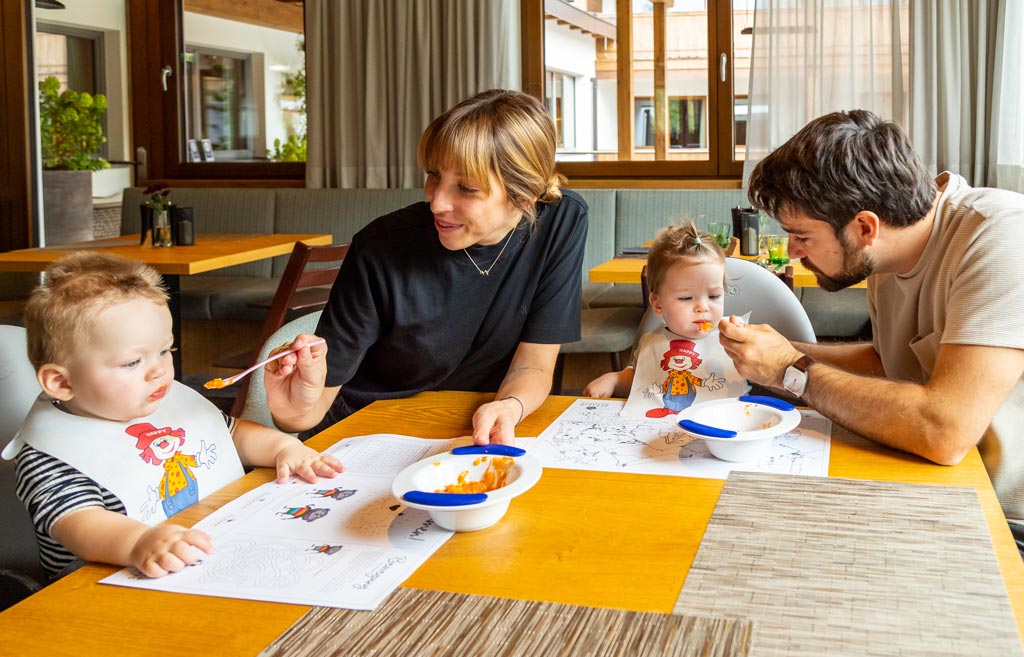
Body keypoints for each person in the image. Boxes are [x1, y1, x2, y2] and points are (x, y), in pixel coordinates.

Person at [719, 109, 1024, 550]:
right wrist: (773, 355)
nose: (792, 250)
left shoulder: (999, 239)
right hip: (939, 481)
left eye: (801, 235)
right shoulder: (887, 250)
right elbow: (886, 362)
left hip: (1006, 517)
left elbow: (944, 432)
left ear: (865, 227)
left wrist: (791, 368)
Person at [264, 89, 587, 445]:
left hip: (464, 429)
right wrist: (293, 406)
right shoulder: (381, 247)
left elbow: (534, 363)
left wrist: (511, 405)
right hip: (368, 433)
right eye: (434, 175)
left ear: (523, 196)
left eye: (466, 188)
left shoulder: (561, 220)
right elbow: (312, 410)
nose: (436, 202)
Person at [3, 252, 345, 579]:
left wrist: (284, 449)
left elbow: (234, 434)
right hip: (102, 590)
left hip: (208, 551)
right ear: (62, 382)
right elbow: (78, 522)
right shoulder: (51, 453)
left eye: (165, 351)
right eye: (132, 362)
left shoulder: (163, 401)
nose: (159, 372)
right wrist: (138, 542)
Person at [583, 222, 745, 417]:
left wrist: (747, 345)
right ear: (658, 305)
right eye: (686, 298)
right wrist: (614, 380)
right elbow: (640, 382)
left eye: (714, 296)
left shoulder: (734, 337)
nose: (703, 307)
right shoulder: (651, 343)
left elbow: (763, 372)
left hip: (726, 425)